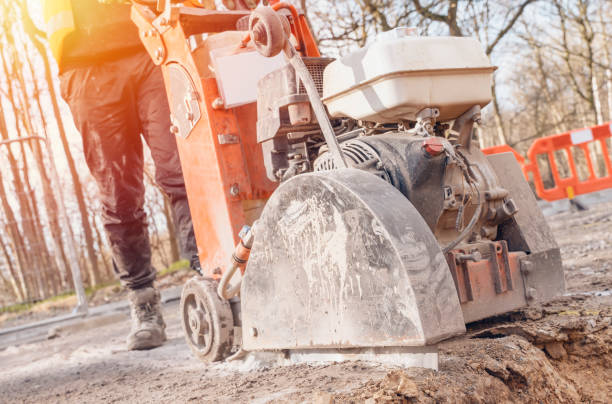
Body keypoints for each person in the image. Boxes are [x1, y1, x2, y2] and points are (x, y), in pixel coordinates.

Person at [42, 0, 198, 350]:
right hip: (84, 63)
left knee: (183, 169)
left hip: (150, 45)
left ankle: (212, 276)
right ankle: (144, 303)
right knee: (119, 195)